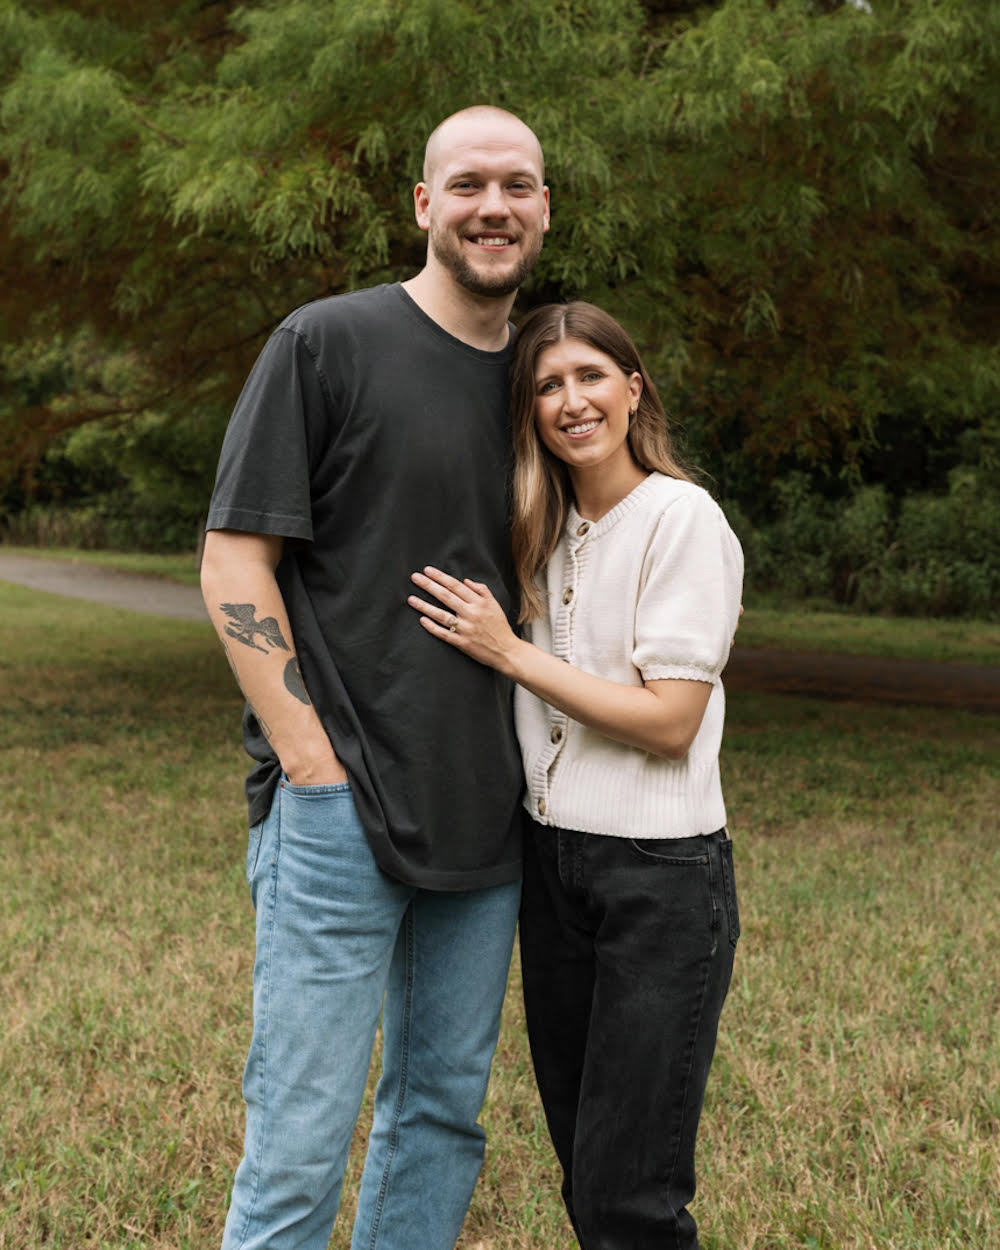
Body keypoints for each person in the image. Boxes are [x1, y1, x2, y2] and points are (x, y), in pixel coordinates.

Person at [200, 105, 550, 1250]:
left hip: (487, 814)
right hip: (336, 809)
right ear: (422, 203)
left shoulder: (548, 383)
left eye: (516, 185)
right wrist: (309, 760)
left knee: (439, 1120)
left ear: (545, 208)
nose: (492, 206)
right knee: (298, 1146)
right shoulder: (326, 342)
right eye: (467, 184)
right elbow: (234, 558)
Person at [407, 301, 744, 1250]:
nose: (572, 401)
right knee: (587, 1172)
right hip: (552, 869)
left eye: (591, 376)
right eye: (547, 386)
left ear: (633, 390)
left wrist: (509, 652)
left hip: (658, 878)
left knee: (629, 1196)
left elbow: (671, 722)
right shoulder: (541, 525)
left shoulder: (680, 518)